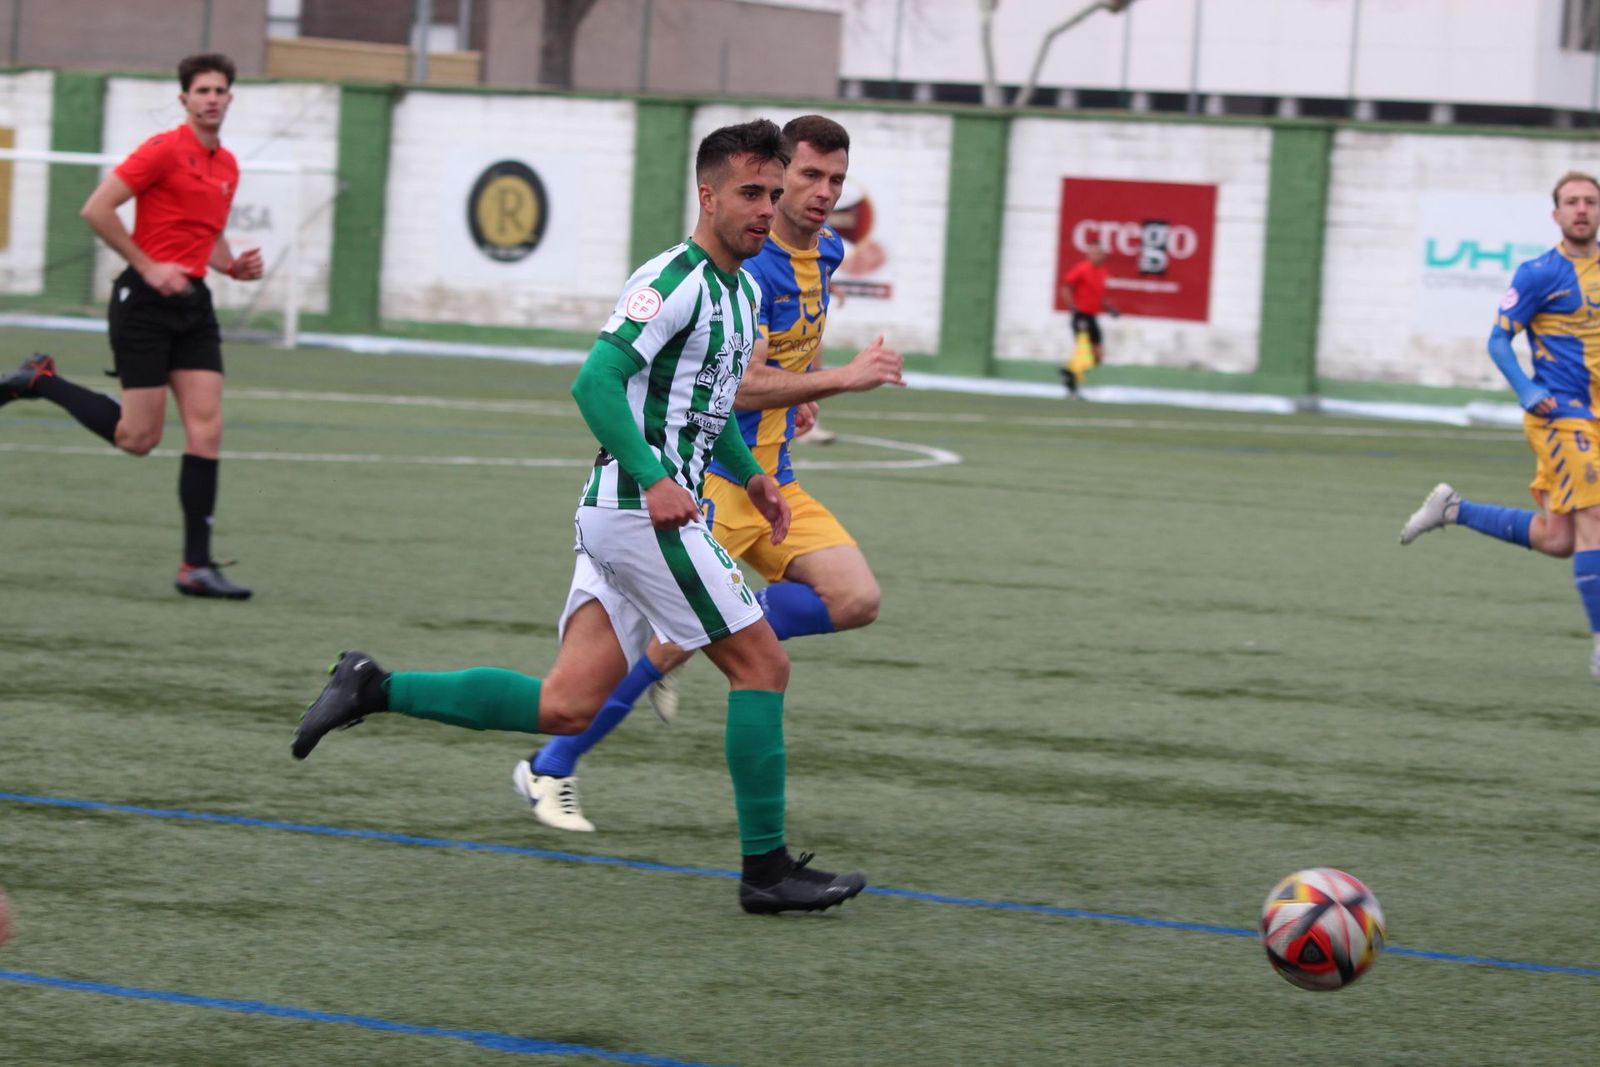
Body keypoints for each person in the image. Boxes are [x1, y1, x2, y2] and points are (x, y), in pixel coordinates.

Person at [292, 118, 867, 915]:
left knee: (566, 703)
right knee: (762, 665)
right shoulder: (673, 279)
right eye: (750, 193)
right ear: (707, 195)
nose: (766, 208)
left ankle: (372, 686)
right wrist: (655, 479)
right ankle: (765, 872)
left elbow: (707, 408)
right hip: (640, 513)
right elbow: (594, 380)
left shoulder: (739, 292)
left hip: (628, 514)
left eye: (773, 193)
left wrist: (753, 478)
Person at [515, 113, 905, 833]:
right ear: (778, 174)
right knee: (675, 644)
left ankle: (709, 631)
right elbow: (736, 385)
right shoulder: (744, 265)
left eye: (836, 180)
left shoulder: (828, 250)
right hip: (710, 481)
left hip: (770, 478)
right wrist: (837, 380)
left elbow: (787, 351)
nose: (822, 192)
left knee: (855, 597)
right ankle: (551, 764)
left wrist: (806, 385)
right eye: (808, 176)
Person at [0, 53, 262, 599]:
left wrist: (232, 266)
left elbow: (208, 235)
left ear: (230, 98)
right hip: (143, 303)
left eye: (220, 90)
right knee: (137, 438)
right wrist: (148, 266)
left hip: (193, 304)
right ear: (184, 99)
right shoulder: (162, 149)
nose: (212, 98)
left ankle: (195, 567)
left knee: (207, 429)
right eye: (202, 90)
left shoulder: (228, 166)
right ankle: (40, 380)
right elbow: (97, 209)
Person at [1400, 169, 1600, 679]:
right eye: (1572, 202)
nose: (1582, 209)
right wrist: (1528, 390)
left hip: (1596, 418)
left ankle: (1453, 509)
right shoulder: (1539, 273)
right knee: (1595, 516)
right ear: (1556, 214)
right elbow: (1497, 340)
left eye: (1590, 201)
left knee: (1559, 540)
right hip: (1560, 416)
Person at [1058, 244, 1117, 398]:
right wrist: (1072, 307)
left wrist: (1110, 308)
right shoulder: (1081, 269)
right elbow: (1066, 287)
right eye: (1094, 253)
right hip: (1081, 316)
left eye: (1100, 253)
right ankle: (1072, 385)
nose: (1098, 256)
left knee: (1098, 357)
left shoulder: (1103, 272)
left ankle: (1068, 372)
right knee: (1084, 352)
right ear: (1088, 254)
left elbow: (1099, 296)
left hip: (1092, 316)